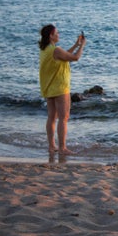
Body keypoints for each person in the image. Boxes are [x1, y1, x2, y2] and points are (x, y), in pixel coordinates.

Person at [38, 24, 86, 155]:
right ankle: (63, 147)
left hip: (49, 86)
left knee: (51, 117)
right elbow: (75, 58)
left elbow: (64, 56)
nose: (58, 35)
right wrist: (82, 45)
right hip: (60, 87)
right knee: (63, 118)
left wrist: (76, 44)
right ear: (51, 36)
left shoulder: (46, 49)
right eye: (56, 33)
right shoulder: (56, 49)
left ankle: (52, 146)